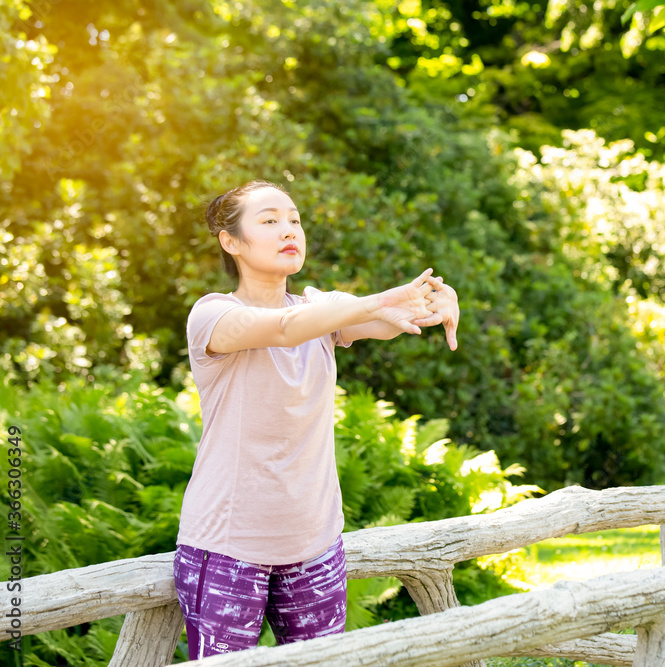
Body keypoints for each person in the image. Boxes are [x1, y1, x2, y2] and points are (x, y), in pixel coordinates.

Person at [173, 179, 459, 659]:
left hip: (316, 546)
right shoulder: (214, 315)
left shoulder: (320, 310)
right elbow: (285, 330)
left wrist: (436, 302)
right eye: (269, 221)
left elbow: (390, 321)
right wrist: (370, 302)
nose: (289, 229)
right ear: (232, 241)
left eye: (294, 219)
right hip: (227, 550)